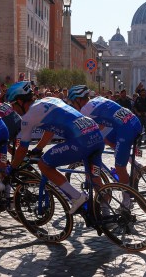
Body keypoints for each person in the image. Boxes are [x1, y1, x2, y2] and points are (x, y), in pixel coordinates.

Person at [6, 81, 105, 214]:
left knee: (44, 165)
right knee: (95, 179)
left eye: (13, 105)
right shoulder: (50, 99)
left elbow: (22, 148)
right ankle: (106, 216)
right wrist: (38, 149)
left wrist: (12, 169)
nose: (13, 109)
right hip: (95, 133)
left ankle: (77, 197)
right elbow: (49, 130)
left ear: (19, 101)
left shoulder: (28, 118)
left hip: (81, 140)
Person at [68, 85, 142, 190]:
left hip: (126, 129)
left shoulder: (84, 110)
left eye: (73, 103)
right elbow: (101, 126)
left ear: (78, 100)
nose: (73, 106)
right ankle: (135, 164)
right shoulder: (97, 99)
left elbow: (83, 133)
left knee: (120, 168)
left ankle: (127, 200)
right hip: (134, 121)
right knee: (108, 139)